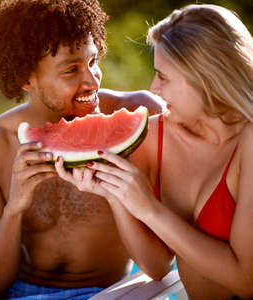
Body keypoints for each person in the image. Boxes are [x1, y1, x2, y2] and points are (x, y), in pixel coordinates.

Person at [0, 0, 167, 299]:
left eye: (93, 62)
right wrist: (15, 207)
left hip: (104, 294)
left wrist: (115, 190)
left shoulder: (142, 114)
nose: (91, 80)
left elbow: (159, 267)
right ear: (25, 78)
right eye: (71, 70)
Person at [56, 4, 253, 300]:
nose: (153, 88)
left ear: (205, 77)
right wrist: (116, 193)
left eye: (163, 76)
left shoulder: (249, 141)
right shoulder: (153, 136)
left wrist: (149, 208)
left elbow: (246, 281)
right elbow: (157, 266)